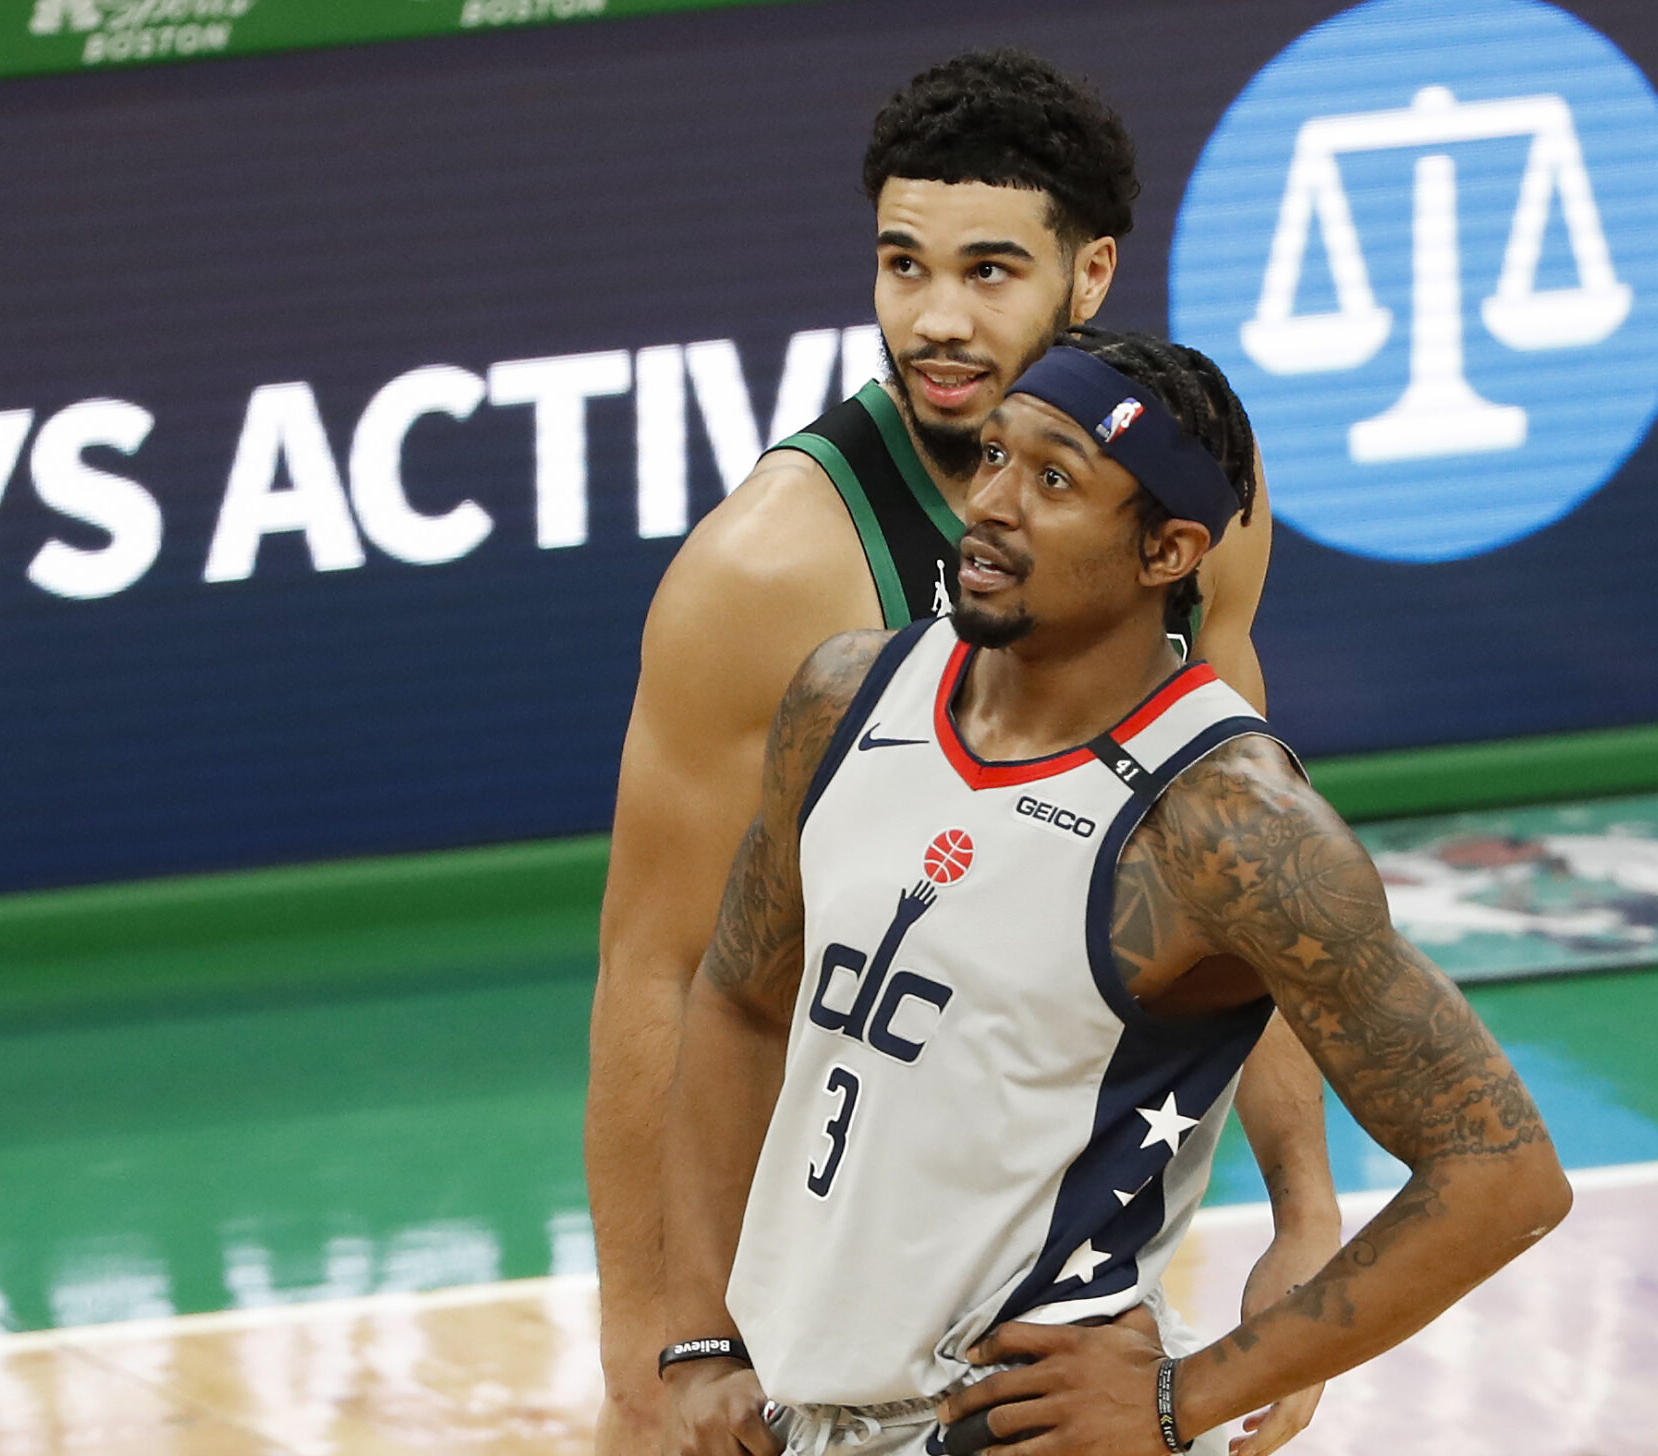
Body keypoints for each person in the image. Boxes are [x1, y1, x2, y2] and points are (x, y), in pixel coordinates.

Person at [587, 51, 1338, 1456]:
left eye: (989, 270)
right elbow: (660, 975)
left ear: (1089, 273)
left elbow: (1239, 885)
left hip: (1053, 1283)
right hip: (819, 1284)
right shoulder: (769, 571)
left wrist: (1301, 1210)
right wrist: (657, 1348)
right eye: (903, 265)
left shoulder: (1189, 514)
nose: (934, 318)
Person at [658, 330, 1572, 1456]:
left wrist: (1184, 1395)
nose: (990, 504)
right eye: (994, 456)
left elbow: (1503, 1171)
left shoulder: (1226, 820)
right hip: (797, 1415)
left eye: (1054, 481)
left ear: (1167, 550)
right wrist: (701, 1341)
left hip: (1008, 1425)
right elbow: (738, 999)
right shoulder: (846, 693)